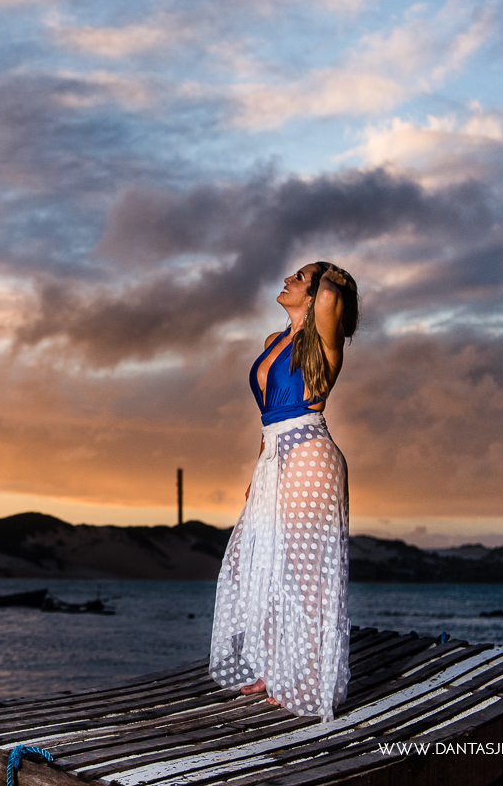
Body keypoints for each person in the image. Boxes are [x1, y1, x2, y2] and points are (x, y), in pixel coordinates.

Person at [208, 261, 360, 722]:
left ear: (315, 295)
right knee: (257, 563)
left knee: (302, 574)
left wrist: (327, 272)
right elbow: (266, 419)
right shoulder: (275, 341)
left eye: (299, 277)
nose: (288, 280)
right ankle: (275, 670)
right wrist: (258, 469)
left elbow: (334, 295)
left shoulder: (324, 342)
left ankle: (309, 682)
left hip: (310, 455)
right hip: (275, 455)